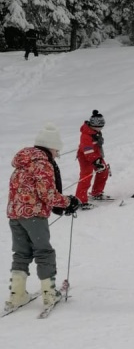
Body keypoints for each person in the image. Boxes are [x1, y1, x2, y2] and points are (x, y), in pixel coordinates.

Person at [6, 123, 80, 313]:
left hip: (15, 214)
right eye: (56, 150)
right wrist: (69, 202)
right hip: (34, 215)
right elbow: (47, 194)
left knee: (21, 253)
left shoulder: (22, 163)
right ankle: (49, 293)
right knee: (43, 251)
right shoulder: (42, 164)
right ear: (50, 146)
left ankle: (17, 294)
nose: (57, 154)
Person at [75, 110, 111, 206]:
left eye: (101, 127)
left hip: (95, 155)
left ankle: (97, 192)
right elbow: (87, 150)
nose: (100, 129)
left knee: (103, 170)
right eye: (98, 127)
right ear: (93, 125)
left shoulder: (96, 132)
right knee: (86, 175)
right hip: (85, 157)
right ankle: (80, 200)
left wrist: (98, 159)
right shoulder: (86, 135)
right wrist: (96, 161)